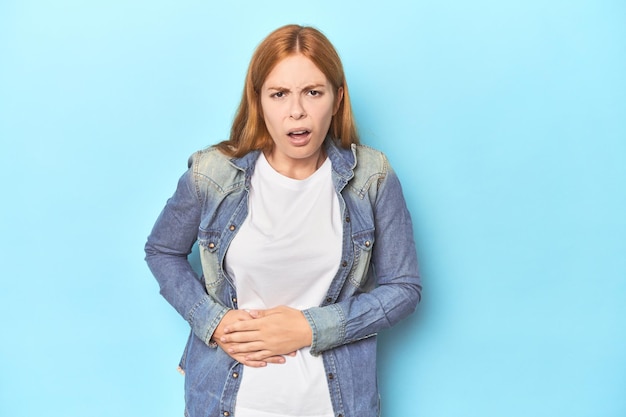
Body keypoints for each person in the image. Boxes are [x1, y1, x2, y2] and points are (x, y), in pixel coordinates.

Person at [145, 24, 421, 417]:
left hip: (335, 405)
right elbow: (161, 251)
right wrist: (213, 321)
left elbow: (404, 288)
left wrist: (311, 327)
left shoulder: (371, 176)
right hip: (226, 403)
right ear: (258, 100)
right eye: (279, 94)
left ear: (337, 98)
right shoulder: (213, 174)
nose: (297, 110)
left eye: (313, 92)